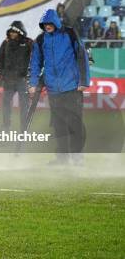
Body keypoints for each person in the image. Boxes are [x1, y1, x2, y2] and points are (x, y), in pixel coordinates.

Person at [29, 9, 90, 165]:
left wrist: (84, 81)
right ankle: (62, 158)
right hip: (53, 89)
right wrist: (33, 83)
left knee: (75, 123)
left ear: (55, 22)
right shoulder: (41, 39)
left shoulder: (69, 34)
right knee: (58, 125)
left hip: (71, 87)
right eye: (44, 24)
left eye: (49, 23)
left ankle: (77, 157)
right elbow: (35, 62)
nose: (47, 26)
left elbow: (82, 56)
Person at [0, 21, 33, 131]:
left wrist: (30, 76)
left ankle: (24, 127)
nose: (12, 34)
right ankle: (6, 126)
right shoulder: (5, 43)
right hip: (8, 80)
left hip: (23, 80)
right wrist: (1, 73)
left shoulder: (28, 43)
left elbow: (34, 60)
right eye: (10, 32)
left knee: (24, 105)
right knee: (6, 104)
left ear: (20, 32)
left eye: (14, 32)